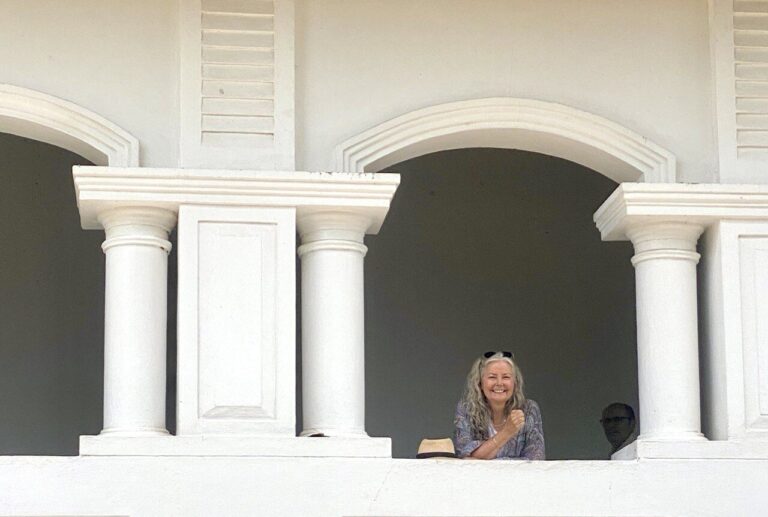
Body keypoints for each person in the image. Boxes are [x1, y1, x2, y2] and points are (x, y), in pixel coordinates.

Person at [453, 351, 545, 460]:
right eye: (492, 377)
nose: (499, 383)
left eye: (506, 377)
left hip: (518, 477)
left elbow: (536, 460)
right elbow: (464, 458)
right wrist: (507, 432)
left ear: (514, 383)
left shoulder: (529, 409)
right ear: (480, 383)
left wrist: (485, 458)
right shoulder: (467, 409)